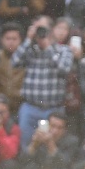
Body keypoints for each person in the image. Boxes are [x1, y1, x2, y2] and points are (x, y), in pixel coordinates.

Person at [11, 18, 75, 148]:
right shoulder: (30, 49)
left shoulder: (64, 50)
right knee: (26, 145)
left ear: (51, 31)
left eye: (42, 29)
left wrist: (47, 47)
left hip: (54, 109)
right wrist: (28, 39)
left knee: (51, 146)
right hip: (30, 107)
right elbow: (14, 62)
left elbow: (64, 69)